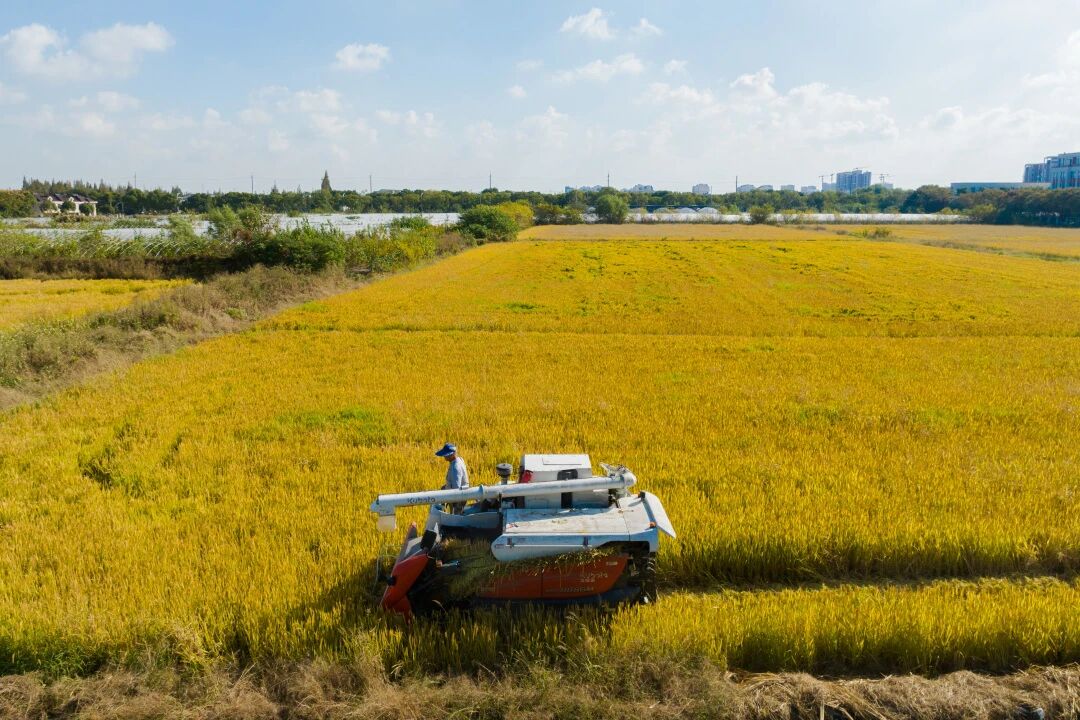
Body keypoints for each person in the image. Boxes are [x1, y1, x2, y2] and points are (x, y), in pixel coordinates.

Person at [435, 442, 469, 513]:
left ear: (451, 455)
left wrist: (449, 500)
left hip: (457, 500)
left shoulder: (456, 467)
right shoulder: (459, 460)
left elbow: (456, 489)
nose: (444, 457)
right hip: (461, 496)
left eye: (446, 455)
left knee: (456, 519)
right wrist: (445, 488)